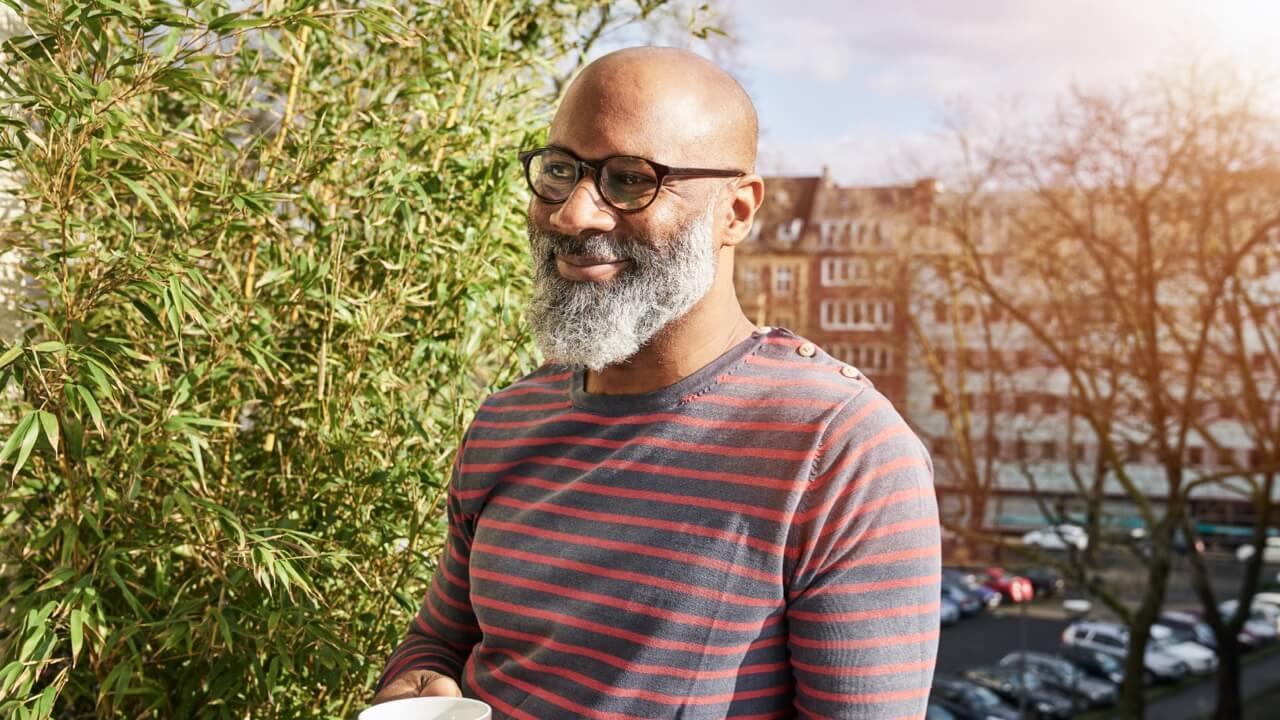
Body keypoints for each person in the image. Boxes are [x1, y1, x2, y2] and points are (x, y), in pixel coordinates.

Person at [373, 47, 941, 718]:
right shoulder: (506, 421)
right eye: (560, 171)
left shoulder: (843, 455)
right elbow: (440, 638)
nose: (572, 214)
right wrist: (416, 684)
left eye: (630, 179)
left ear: (737, 210)